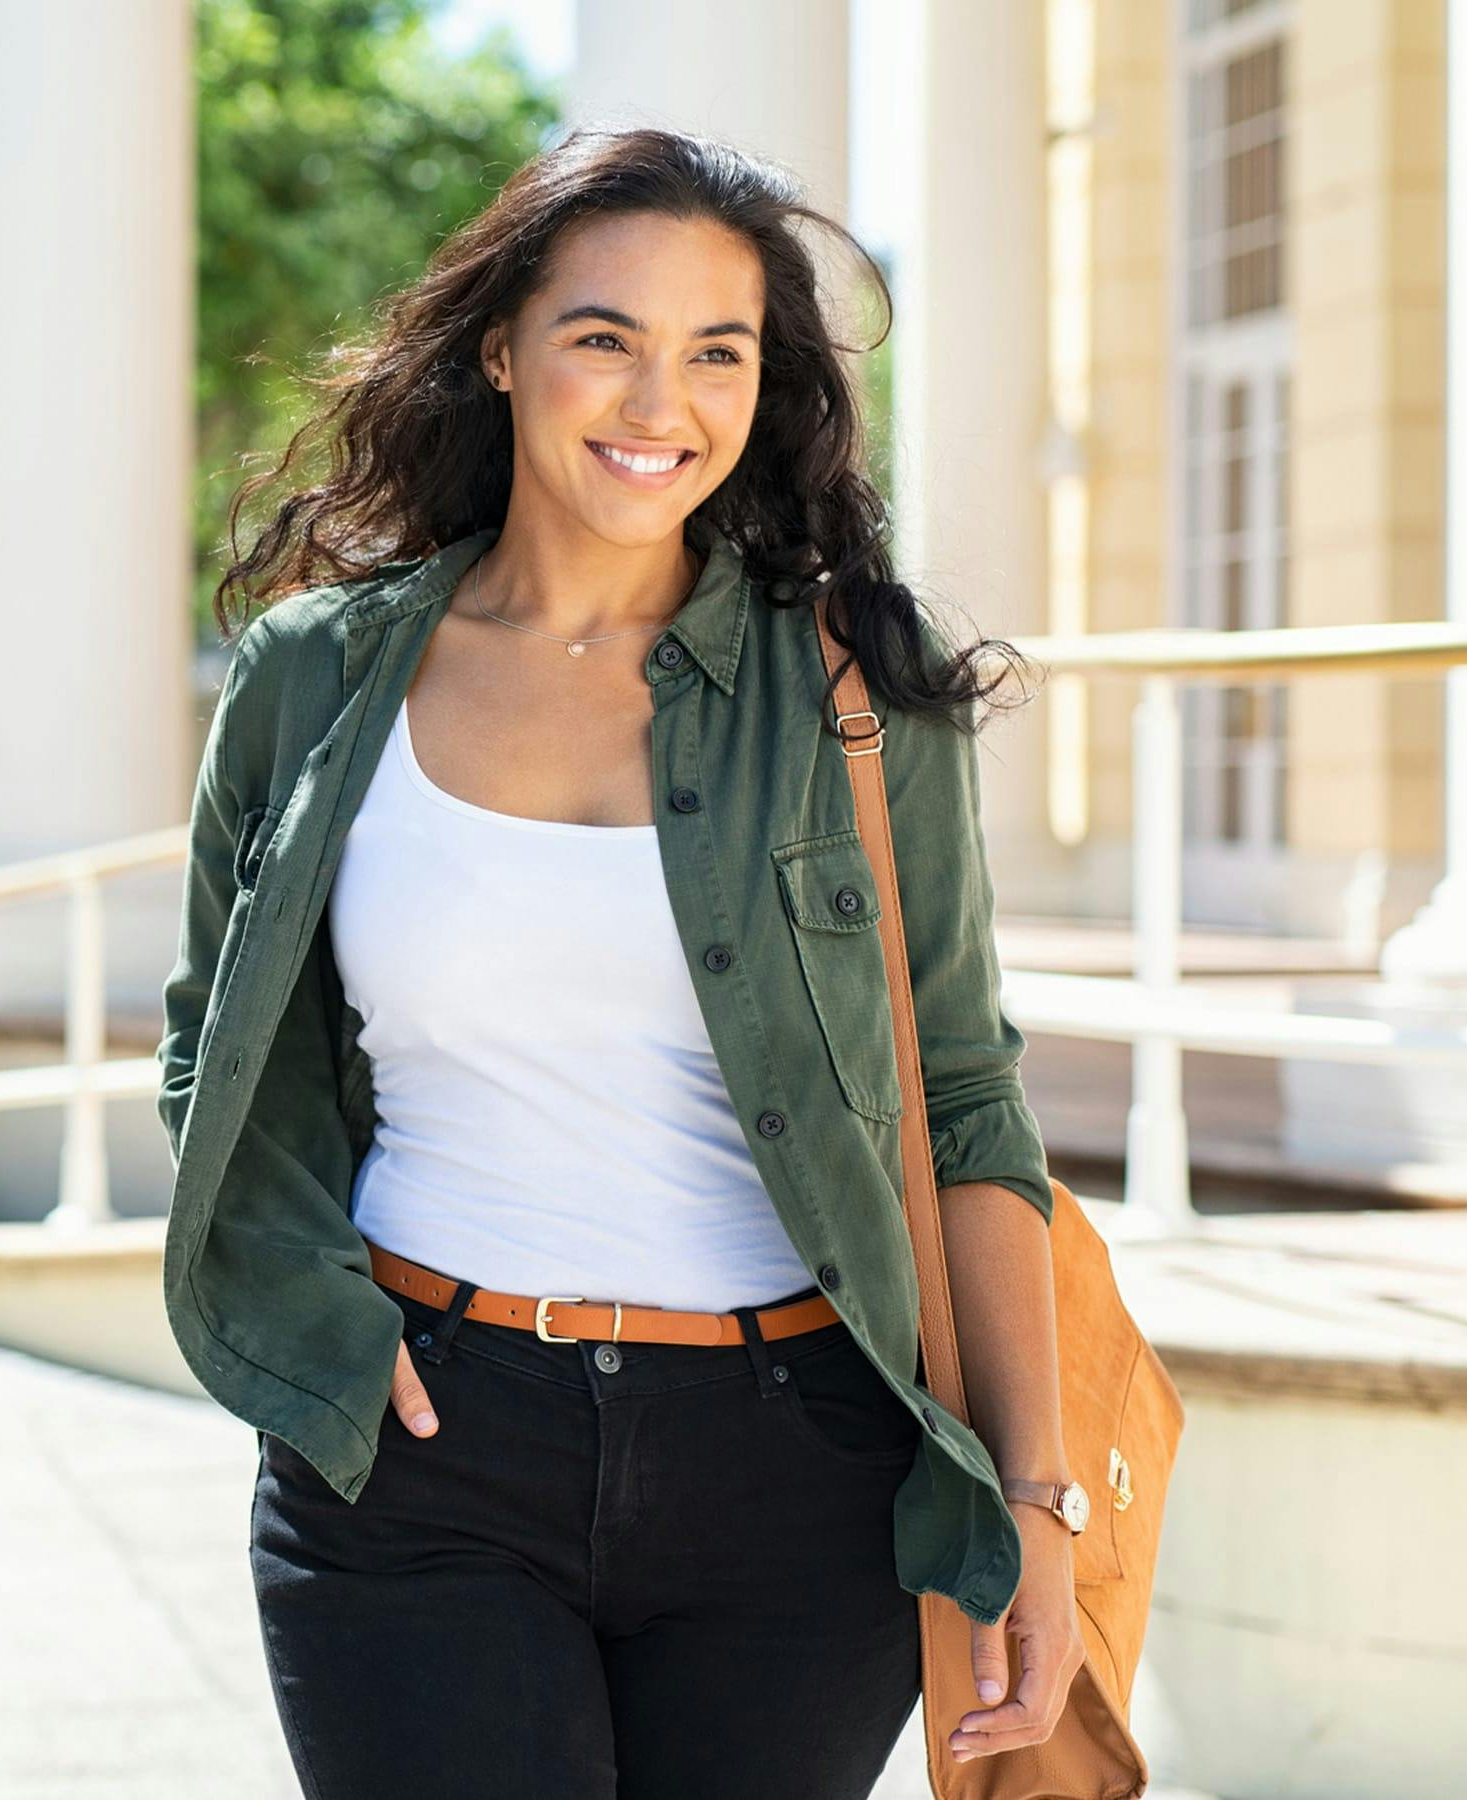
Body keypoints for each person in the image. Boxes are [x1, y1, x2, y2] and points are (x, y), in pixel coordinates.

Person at [158, 124, 1084, 1800]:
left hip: (801, 1468)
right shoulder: (314, 679)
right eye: (606, 337)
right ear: (502, 347)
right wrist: (320, 1338)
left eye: (714, 352)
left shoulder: (855, 698)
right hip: (424, 1449)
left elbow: (960, 1099)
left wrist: (1031, 1497)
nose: (661, 404)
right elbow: (218, 1053)